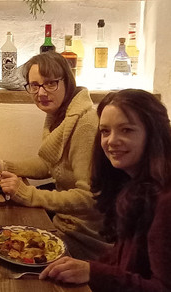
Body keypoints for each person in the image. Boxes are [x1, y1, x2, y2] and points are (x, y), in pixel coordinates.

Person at [0, 51, 109, 259]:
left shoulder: (85, 124)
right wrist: (3, 165)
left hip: (84, 238)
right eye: (34, 85)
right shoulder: (60, 115)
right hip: (62, 223)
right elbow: (49, 163)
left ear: (67, 82)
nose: (41, 92)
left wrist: (29, 195)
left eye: (50, 84)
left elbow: (89, 198)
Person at [40, 89, 171, 291]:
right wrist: (84, 267)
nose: (111, 141)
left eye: (126, 130)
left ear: (153, 133)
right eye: (105, 131)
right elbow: (122, 259)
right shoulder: (131, 186)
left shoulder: (165, 201)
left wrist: (93, 272)